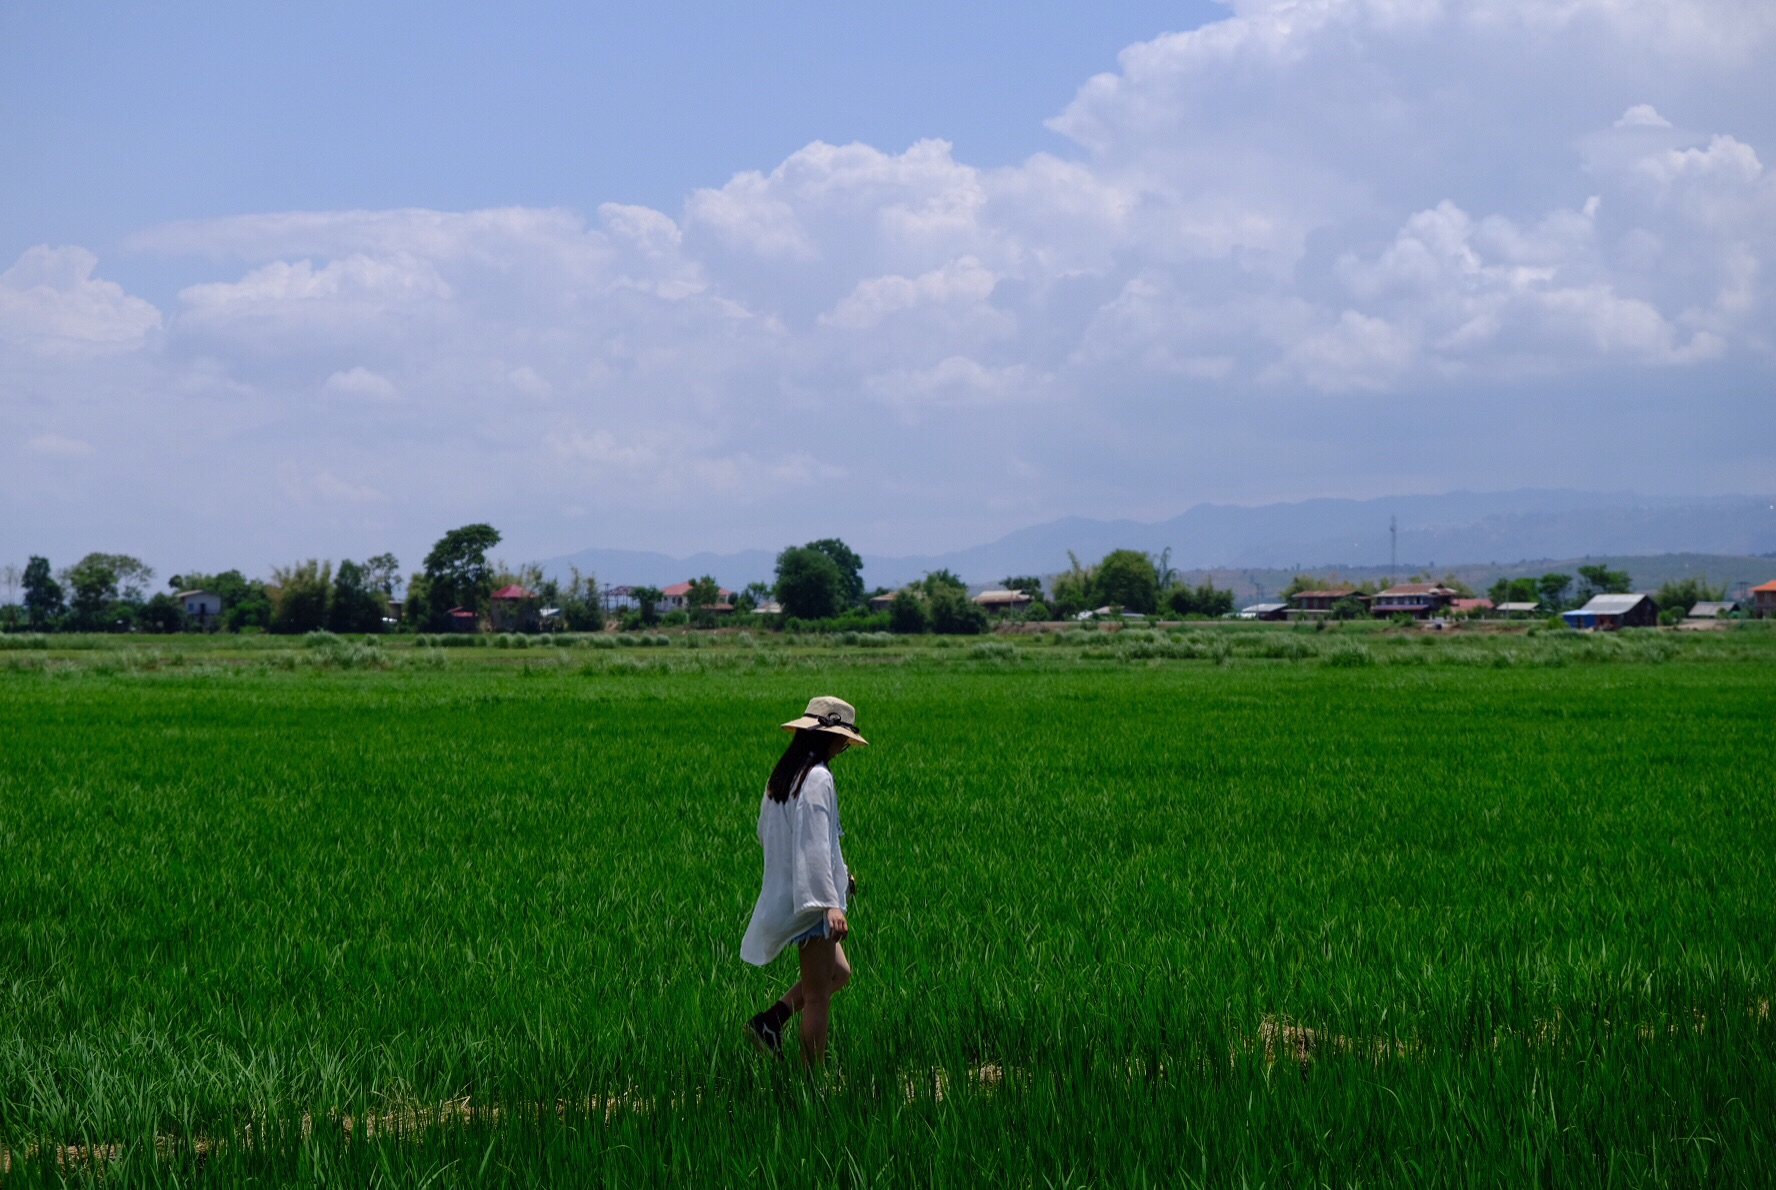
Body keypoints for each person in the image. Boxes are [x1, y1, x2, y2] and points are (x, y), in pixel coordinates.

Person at [741, 695, 866, 1064]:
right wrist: (829, 903)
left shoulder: (783, 777)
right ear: (825, 736)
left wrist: (841, 876)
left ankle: (770, 1020)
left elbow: (777, 836)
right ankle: (812, 1085)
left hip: (797, 893)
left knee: (839, 973)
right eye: (842, 739)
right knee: (817, 997)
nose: (844, 746)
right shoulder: (817, 778)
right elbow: (812, 842)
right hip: (813, 903)